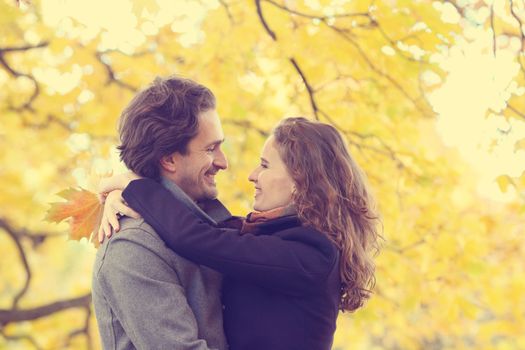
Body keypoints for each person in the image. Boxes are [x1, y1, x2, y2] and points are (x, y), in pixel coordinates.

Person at [100, 117, 381, 350]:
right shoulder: (278, 236)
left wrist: (135, 187)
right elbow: (208, 223)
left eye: (265, 165)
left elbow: (198, 238)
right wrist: (120, 193)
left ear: (301, 181)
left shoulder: (310, 254)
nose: (252, 174)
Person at [92, 76, 230, 350]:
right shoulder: (134, 247)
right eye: (210, 148)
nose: (223, 162)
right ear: (168, 159)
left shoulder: (206, 224)